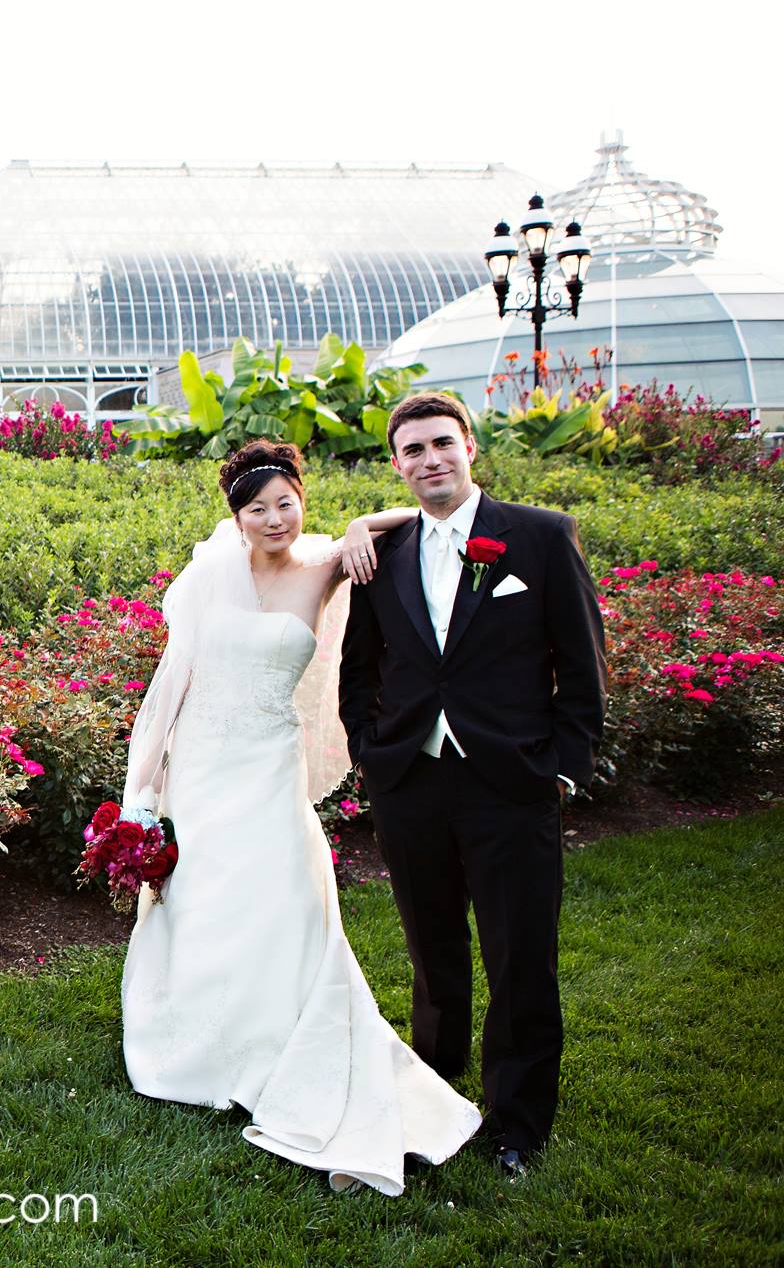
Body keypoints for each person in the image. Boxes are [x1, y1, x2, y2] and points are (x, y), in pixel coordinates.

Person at [117, 438, 483, 1196]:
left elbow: (416, 514)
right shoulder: (209, 578)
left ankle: (289, 1038)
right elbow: (169, 692)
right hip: (205, 767)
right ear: (238, 518)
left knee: (284, 899)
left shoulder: (323, 565)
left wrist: (356, 526)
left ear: (301, 503)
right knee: (204, 902)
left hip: (270, 768)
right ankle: (204, 1045)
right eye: (259, 508)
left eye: (287, 502)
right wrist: (142, 797)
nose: (276, 517)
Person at [339, 392, 607, 1178]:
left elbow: (583, 667)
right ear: (397, 463)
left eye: (442, 444)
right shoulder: (379, 553)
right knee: (433, 948)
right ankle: (436, 1088)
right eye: (413, 449)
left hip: (511, 782)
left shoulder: (541, 538)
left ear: (470, 448)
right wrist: (368, 747)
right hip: (410, 780)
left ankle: (518, 1124)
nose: (430, 460)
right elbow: (359, 667)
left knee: (521, 953)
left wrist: (560, 765)